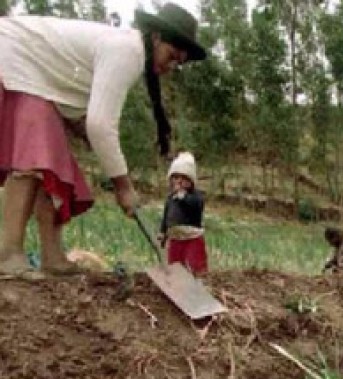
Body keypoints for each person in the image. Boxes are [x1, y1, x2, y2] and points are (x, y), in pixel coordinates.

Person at [0, 3, 207, 279]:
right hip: (14, 58)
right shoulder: (128, 51)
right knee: (32, 159)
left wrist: (83, 130)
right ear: (156, 37)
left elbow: (85, 112)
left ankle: (52, 256)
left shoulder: (127, 50)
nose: (171, 66)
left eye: (178, 63)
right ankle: (9, 253)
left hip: (37, 78)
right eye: (172, 55)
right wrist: (123, 186)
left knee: (52, 166)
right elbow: (101, 124)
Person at [158, 152, 207, 275]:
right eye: (175, 178)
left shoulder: (196, 196)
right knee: (175, 265)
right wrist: (163, 232)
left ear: (191, 180)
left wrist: (183, 197)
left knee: (193, 265)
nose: (179, 181)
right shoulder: (171, 198)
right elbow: (166, 216)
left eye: (184, 178)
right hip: (175, 237)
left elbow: (197, 206)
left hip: (192, 237)